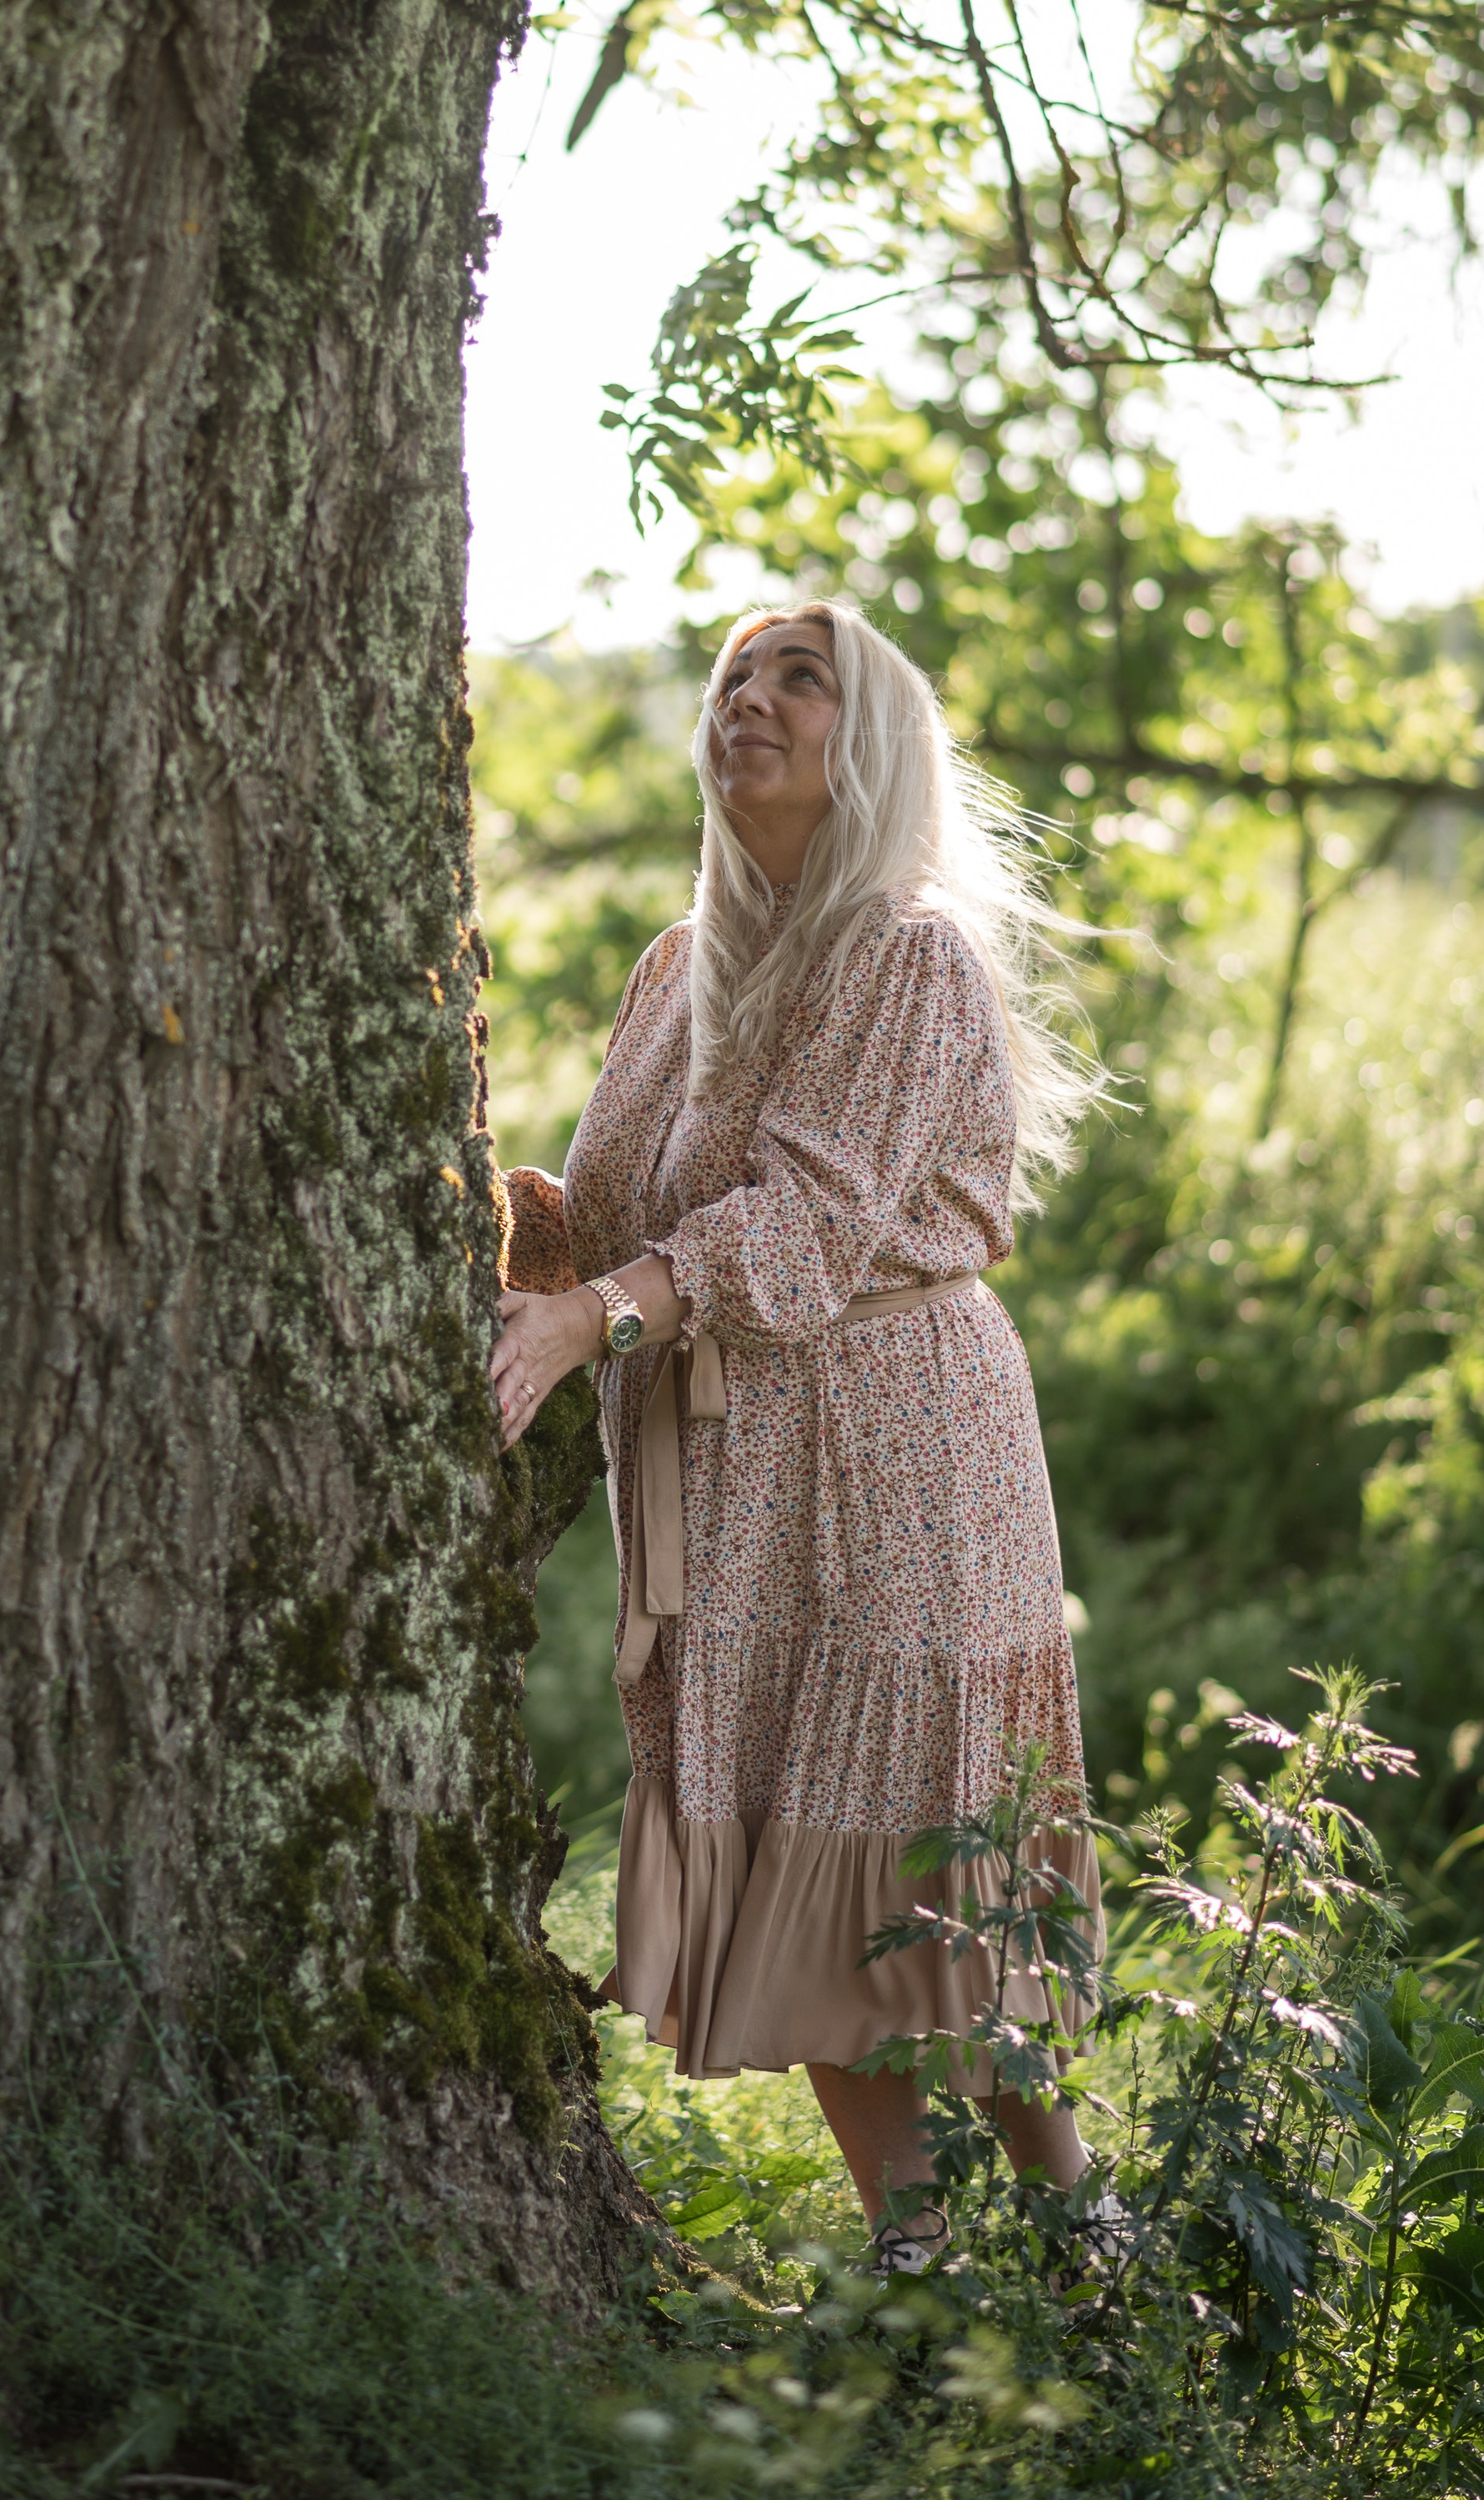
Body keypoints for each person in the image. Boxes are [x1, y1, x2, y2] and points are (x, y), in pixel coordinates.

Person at [493, 600, 1113, 2273]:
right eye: (729, 677)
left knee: (919, 1845)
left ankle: (1082, 2252)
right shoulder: (678, 964)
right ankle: (914, 2264)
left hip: (895, 1447)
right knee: (792, 1836)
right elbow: (637, 1208)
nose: (747, 700)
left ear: (873, 745)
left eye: (796, 676)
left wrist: (596, 1312)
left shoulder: (902, 950)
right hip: (744, 1467)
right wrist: (540, 1238)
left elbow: (803, 1222)